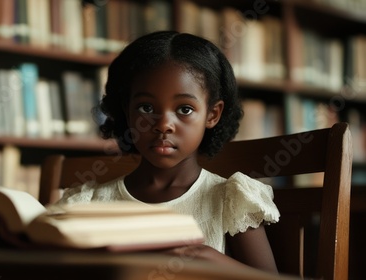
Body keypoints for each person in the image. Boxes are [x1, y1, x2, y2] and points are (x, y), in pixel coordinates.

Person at [55, 31, 280, 273]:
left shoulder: (230, 200)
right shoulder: (88, 203)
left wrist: (213, 263)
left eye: (184, 109)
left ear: (212, 114)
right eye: (146, 107)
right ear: (126, 110)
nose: (163, 125)